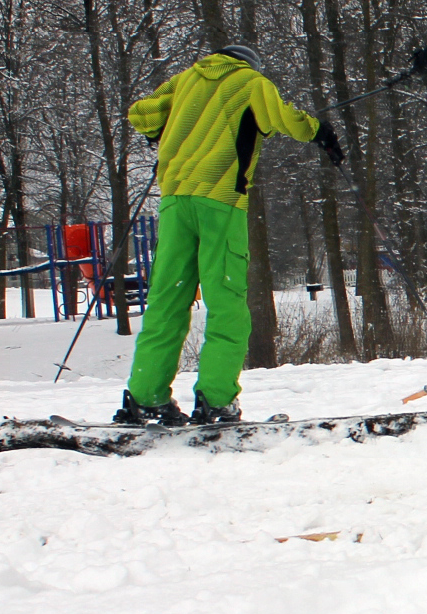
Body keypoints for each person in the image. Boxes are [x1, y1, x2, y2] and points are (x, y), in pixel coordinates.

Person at [115, 45, 334, 427]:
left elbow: (142, 112)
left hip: (174, 203)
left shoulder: (185, 80)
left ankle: (146, 396)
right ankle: (216, 401)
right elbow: (286, 119)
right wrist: (319, 131)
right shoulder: (250, 82)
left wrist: (161, 131)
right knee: (226, 303)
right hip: (220, 203)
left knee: (167, 299)